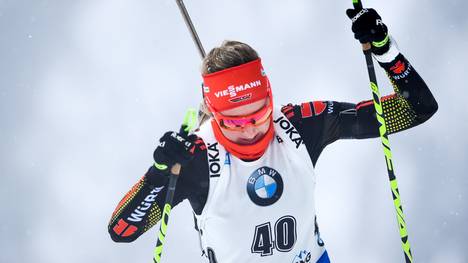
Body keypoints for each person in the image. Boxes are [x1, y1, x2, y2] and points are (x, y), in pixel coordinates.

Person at [108, 7, 438, 263]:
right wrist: (158, 174)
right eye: (234, 124)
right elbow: (122, 230)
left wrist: (386, 53)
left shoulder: (302, 124)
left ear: (271, 98)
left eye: (260, 115)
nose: (251, 130)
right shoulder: (196, 156)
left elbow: (415, 110)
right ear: (214, 115)